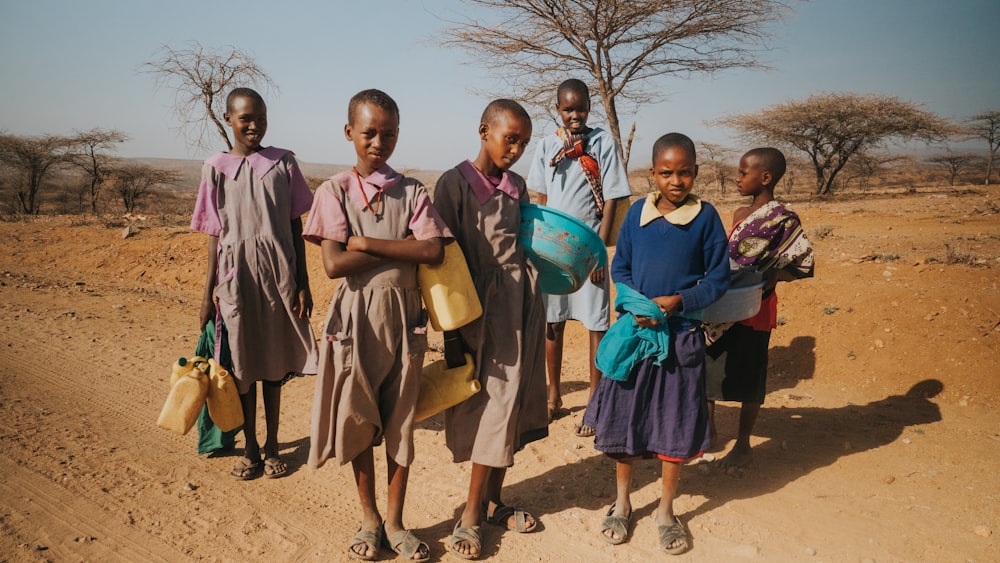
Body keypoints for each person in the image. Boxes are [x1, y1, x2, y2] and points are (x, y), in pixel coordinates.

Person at [304, 89, 450, 561]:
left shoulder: (412, 191)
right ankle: (368, 519)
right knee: (359, 417)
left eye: (388, 134)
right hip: (355, 321)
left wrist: (364, 243)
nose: (378, 142)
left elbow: (432, 251)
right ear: (349, 133)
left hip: (405, 320)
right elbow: (332, 265)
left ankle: (396, 521)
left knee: (401, 421)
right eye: (368, 132)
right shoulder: (333, 192)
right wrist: (390, 244)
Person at [583, 133, 729, 555]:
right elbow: (621, 266)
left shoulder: (705, 217)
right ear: (653, 174)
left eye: (684, 172)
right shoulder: (636, 216)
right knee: (625, 421)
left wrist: (678, 302)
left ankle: (666, 510)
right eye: (667, 172)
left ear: (696, 173)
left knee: (675, 424)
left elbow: (718, 278)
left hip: (681, 337)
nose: (676, 180)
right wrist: (636, 304)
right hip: (636, 334)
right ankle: (624, 502)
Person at [432, 99, 548, 560]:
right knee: (490, 407)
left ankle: (492, 502)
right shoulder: (453, 185)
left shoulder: (517, 185)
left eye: (523, 141)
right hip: (477, 311)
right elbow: (441, 260)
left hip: (522, 307)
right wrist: (451, 331)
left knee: (513, 401)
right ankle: (471, 515)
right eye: (509, 138)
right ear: (484, 131)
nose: (516, 148)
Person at [190, 87, 319, 481]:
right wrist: (207, 293)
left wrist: (302, 282)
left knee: (273, 362)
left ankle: (274, 445)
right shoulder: (215, 167)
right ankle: (250, 448)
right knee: (243, 363)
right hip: (235, 278)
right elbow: (214, 233)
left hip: (278, 272)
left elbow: (296, 226)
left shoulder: (283, 163)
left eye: (260, 118)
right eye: (246, 118)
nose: (254, 126)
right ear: (228, 118)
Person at [526, 79, 632, 435]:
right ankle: (553, 396)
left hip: (590, 250)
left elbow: (613, 197)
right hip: (554, 250)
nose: (575, 115)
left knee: (596, 325)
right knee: (552, 323)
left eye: (580, 108)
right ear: (558, 110)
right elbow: (540, 198)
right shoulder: (546, 146)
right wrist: (538, 250)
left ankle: (595, 401)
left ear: (589, 106)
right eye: (568, 109)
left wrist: (600, 255)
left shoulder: (602, 142)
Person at [705, 147, 815, 469]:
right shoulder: (740, 214)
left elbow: (803, 264)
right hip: (723, 304)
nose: (737, 178)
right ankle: (707, 432)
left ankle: (742, 444)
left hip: (757, 306)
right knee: (708, 368)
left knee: (751, 377)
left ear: (765, 177)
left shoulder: (783, 219)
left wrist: (773, 275)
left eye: (743, 172)